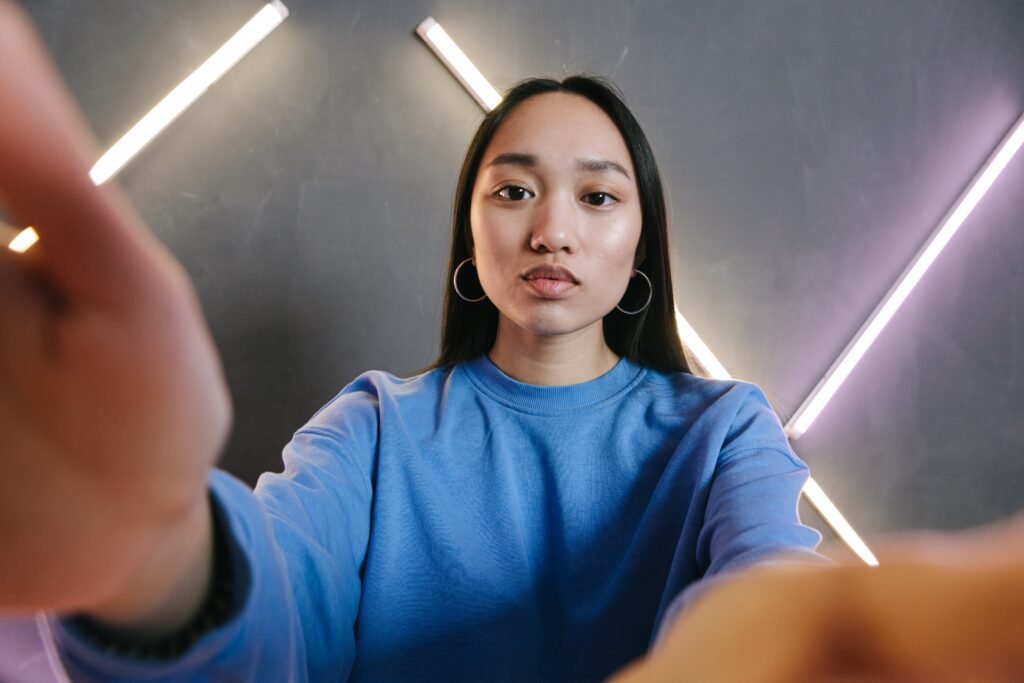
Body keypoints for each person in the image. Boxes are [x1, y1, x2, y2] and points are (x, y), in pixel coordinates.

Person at [2, 3, 1022, 681]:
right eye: (515, 189)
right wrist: (153, 550)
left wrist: (813, 633)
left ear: (641, 241)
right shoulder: (374, 429)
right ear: (471, 230)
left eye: (596, 195)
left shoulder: (721, 430)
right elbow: (277, 598)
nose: (553, 228)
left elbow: (760, 572)